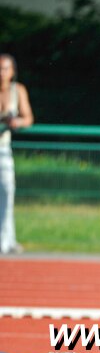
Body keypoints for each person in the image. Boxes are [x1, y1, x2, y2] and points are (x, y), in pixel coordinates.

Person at [0, 54, 34, 254]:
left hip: (3, 149)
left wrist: (16, 122)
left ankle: (7, 239)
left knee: (7, 192)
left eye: (5, 68)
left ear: (12, 71)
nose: (1, 73)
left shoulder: (17, 90)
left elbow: (28, 118)